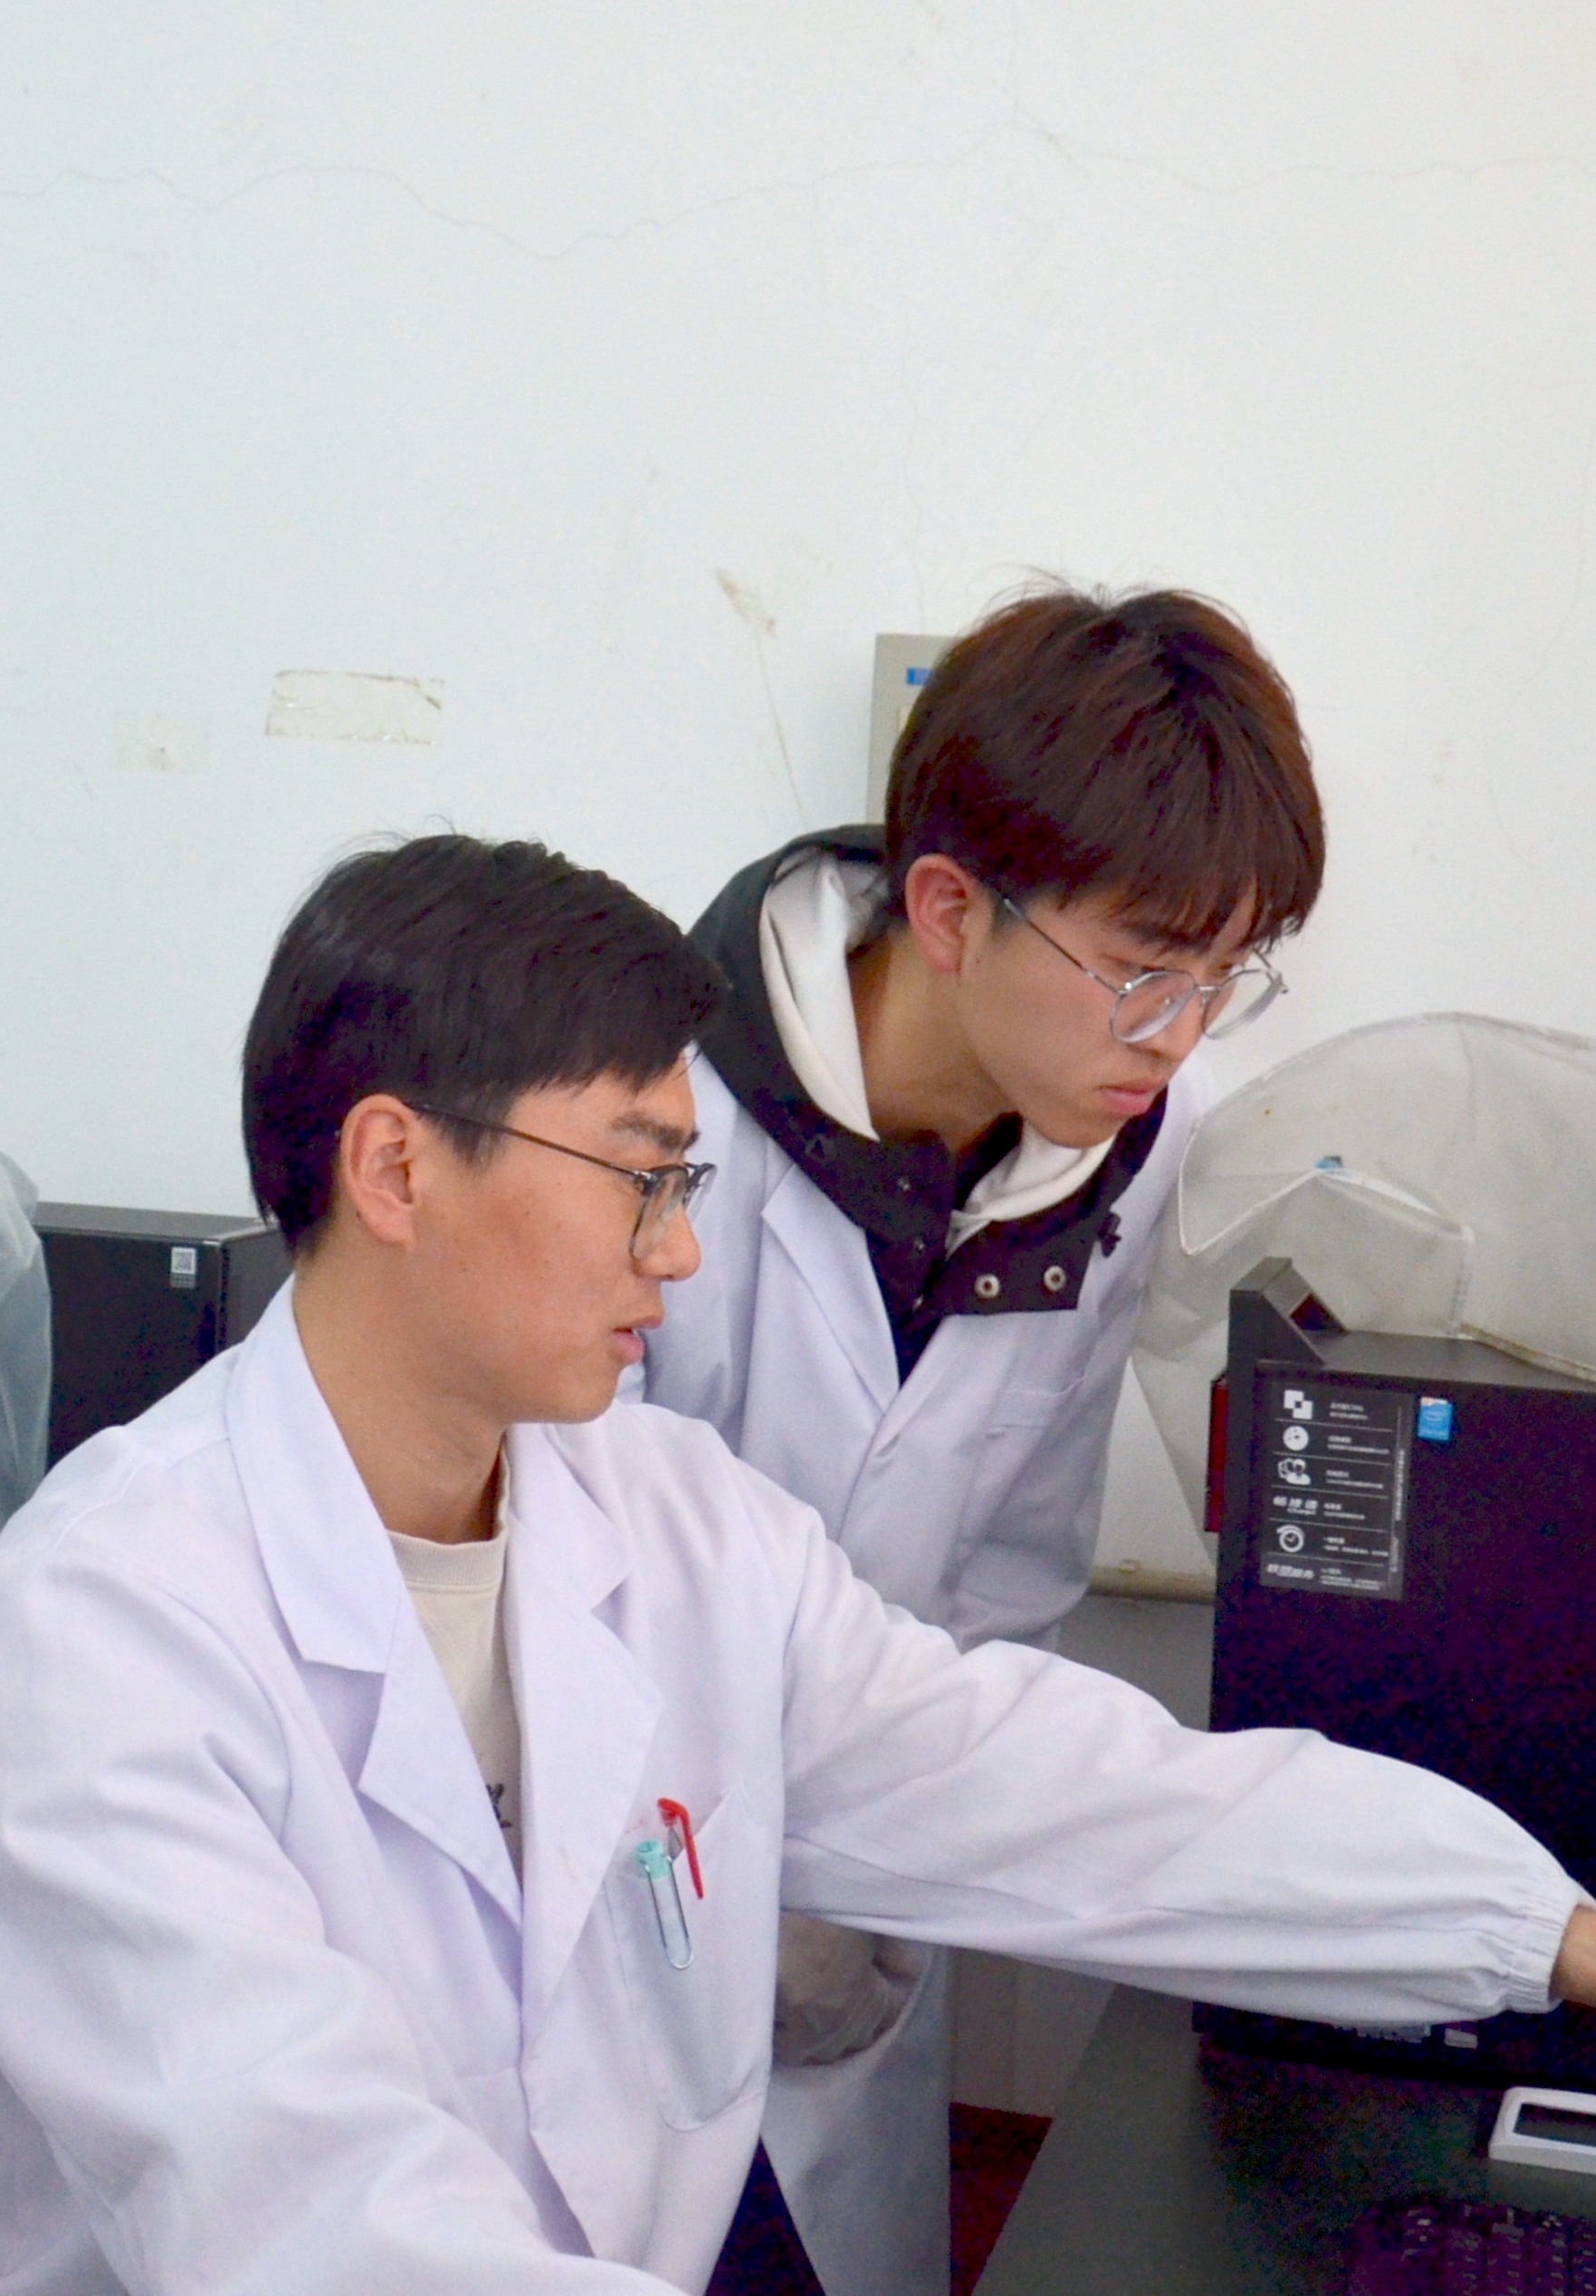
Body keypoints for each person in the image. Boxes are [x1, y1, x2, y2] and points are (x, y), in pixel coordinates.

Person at [0, 833, 1596, 2295]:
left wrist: (1581, 1943)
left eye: (689, 1179)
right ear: (394, 1163)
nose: (678, 1250)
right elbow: (313, 2218)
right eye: (638, 1177)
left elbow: (1075, 1794)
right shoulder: (101, 1635)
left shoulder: (666, 1521)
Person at [638, 581, 1311, 2296]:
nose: (1178, 1037)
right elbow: (542, 1589)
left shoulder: (1136, 1137)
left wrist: (877, 1874)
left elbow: (1012, 1563)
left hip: (864, 1925)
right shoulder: (646, 1099)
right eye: (1140, 973)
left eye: (1224, 977)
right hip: (608, 1911)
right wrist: (718, 1871)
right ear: (947, 909)